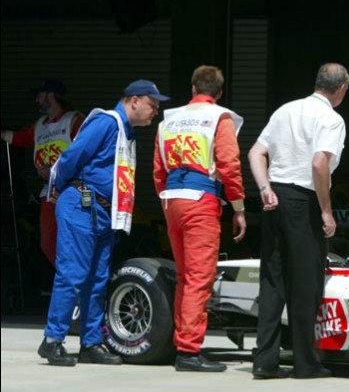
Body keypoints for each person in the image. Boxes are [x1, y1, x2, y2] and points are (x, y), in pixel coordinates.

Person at [37, 79, 169, 366]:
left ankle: (91, 342)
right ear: (134, 100)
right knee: (73, 274)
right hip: (82, 205)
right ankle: (52, 340)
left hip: (104, 211)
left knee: (97, 280)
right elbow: (72, 156)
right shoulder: (107, 123)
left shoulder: (126, 131)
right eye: (152, 104)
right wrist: (61, 186)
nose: (155, 111)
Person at [248, 63, 349, 379]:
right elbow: (320, 164)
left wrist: (264, 188)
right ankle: (306, 362)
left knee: (273, 280)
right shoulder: (331, 119)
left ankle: (264, 360)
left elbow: (255, 153)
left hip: (274, 198)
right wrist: (326, 211)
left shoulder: (284, 110)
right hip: (302, 202)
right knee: (305, 284)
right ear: (341, 89)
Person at [154, 65, 247, 373]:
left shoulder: (169, 119)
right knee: (199, 278)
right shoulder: (219, 118)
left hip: (171, 199)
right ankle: (189, 351)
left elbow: (157, 169)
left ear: (193, 89)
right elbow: (229, 164)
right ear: (219, 94)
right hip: (201, 200)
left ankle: (182, 343)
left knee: (184, 275)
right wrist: (238, 207)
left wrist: (168, 199)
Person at [1, 79, 84, 266]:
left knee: (76, 240)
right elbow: (21, 138)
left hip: (74, 190)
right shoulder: (39, 125)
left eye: (40, 95)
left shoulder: (75, 120)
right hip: (49, 192)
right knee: (48, 243)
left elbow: (88, 153)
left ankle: (79, 281)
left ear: (51, 95)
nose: (37, 100)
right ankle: (70, 278)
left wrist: (58, 172)